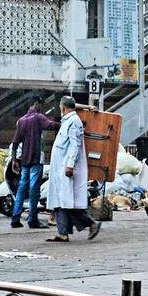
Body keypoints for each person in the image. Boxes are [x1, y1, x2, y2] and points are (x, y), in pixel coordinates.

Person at [45, 96, 99, 242]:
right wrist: (88, 107)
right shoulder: (68, 120)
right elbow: (73, 105)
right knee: (60, 202)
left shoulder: (74, 122)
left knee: (68, 203)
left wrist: (70, 165)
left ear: (62, 108)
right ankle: (62, 233)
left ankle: (91, 223)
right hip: (59, 168)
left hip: (66, 168)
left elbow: (76, 145)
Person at [8, 96, 58, 229]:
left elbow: (15, 143)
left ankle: (15, 219)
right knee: (34, 190)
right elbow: (51, 125)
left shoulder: (21, 121)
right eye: (41, 105)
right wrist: (65, 123)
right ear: (36, 104)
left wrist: (14, 160)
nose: (42, 108)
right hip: (36, 158)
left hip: (25, 160)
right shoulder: (38, 117)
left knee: (21, 189)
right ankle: (32, 219)